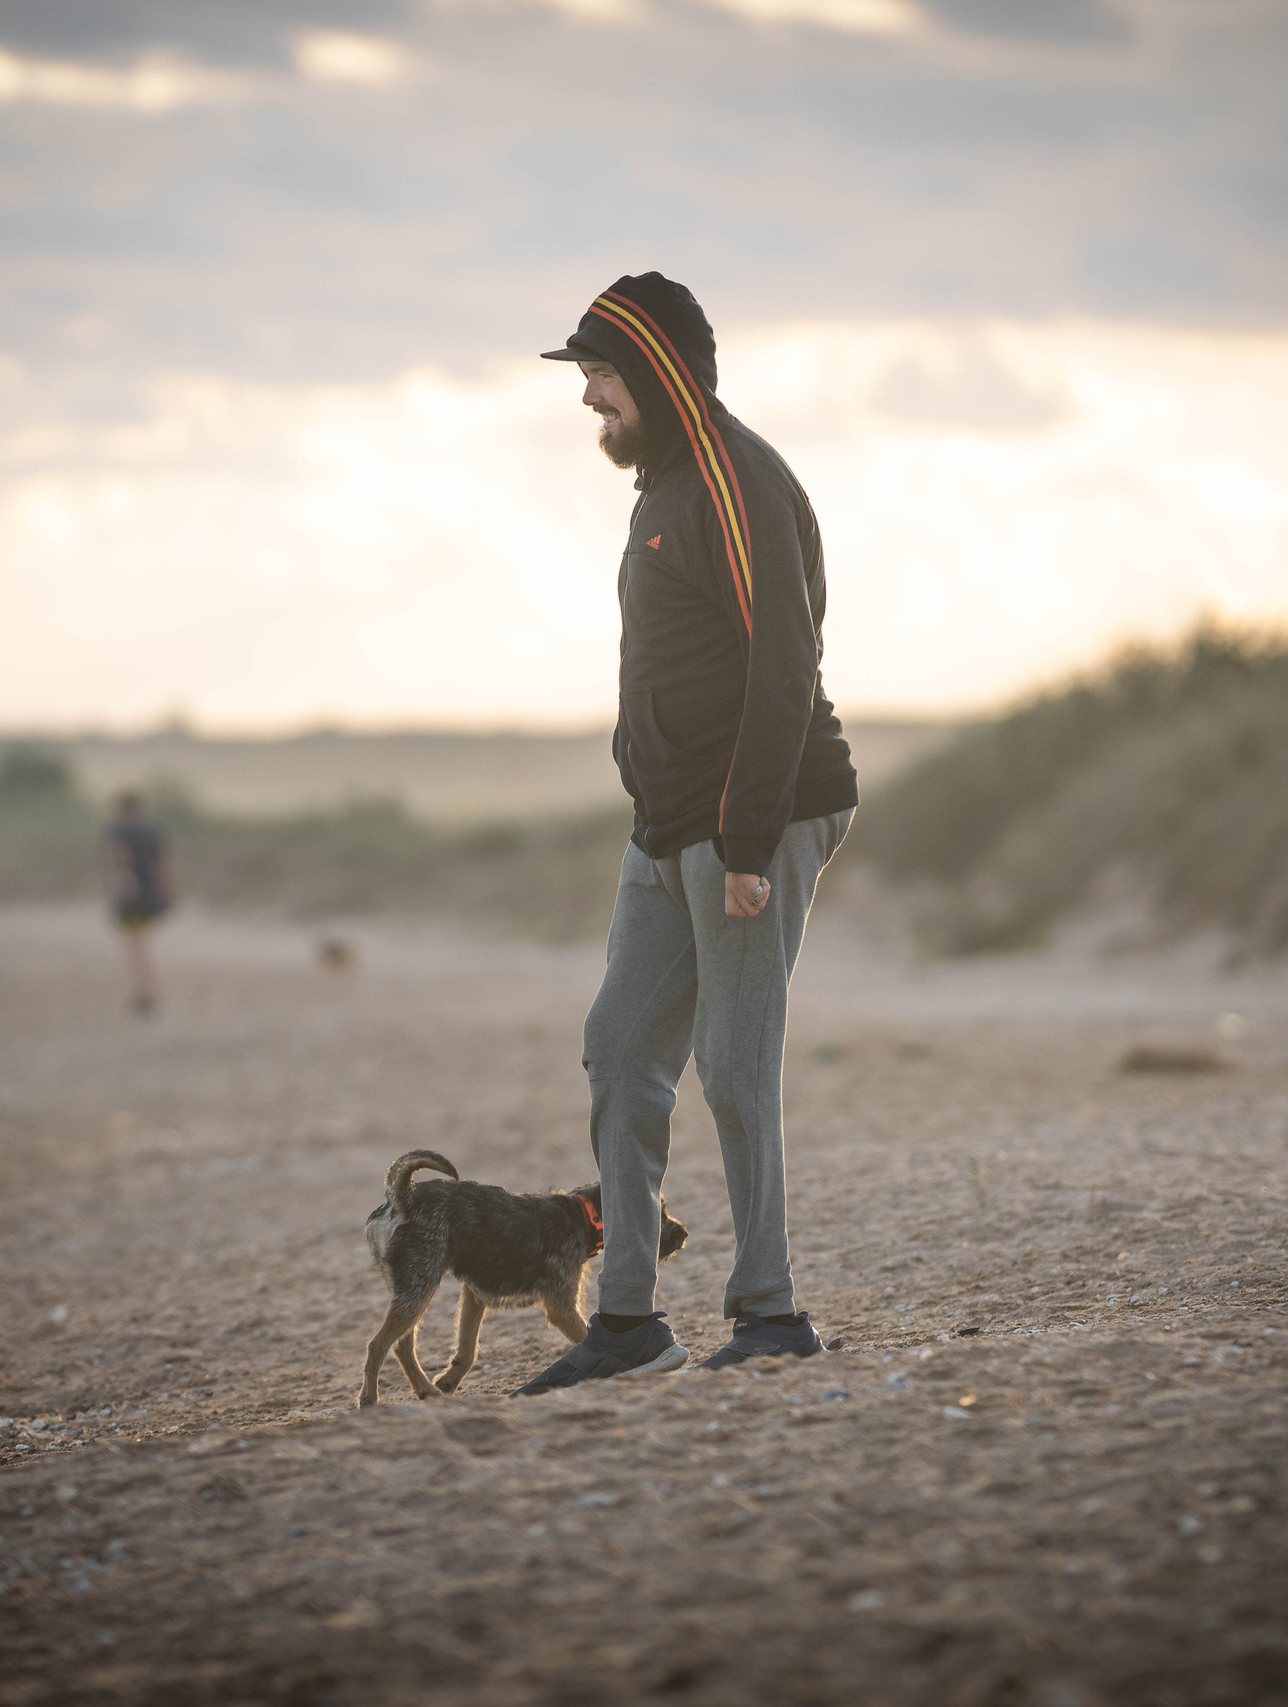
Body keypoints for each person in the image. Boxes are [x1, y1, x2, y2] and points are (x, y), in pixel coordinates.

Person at [516, 273, 858, 1393]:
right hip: (663, 830)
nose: (589, 401)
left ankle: (771, 1311)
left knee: (733, 1068)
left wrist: (749, 845)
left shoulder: (733, 477)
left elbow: (783, 664)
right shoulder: (661, 481)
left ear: (656, 375)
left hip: (750, 818)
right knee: (621, 1051)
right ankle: (627, 1322)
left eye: (602, 377)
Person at [104, 790, 174, 1014]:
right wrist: (170, 891)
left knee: (135, 946)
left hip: (132, 895)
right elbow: (164, 863)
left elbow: (119, 857)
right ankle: (148, 989)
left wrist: (122, 883)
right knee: (143, 943)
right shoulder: (152, 830)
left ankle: (145, 992)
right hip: (152, 895)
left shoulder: (119, 829)